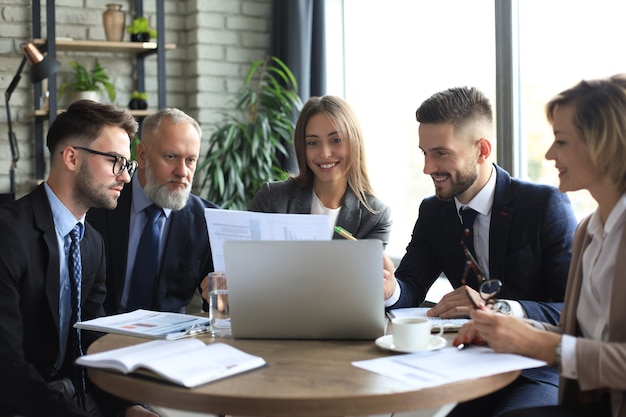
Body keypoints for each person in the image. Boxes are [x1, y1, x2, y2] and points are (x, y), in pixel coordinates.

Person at [383, 87, 578, 416]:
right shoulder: (434, 211)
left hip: (536, 369)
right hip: (465, 366)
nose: (428, 168)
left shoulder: (544, 205)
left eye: (441, 154)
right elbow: (411, 286)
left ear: (482, 150)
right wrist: (389, 289)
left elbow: (573, 311)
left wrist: (500, 308)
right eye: (424, 153)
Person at [456, 74, 626, 417]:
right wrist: (510, 329)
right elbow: (575, 336)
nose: (549, 154)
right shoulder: (588, 232)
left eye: (561, 141)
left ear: (602, 144)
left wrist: (544, 345)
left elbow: (566, 347)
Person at [0, 100, 156, 416]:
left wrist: (128, 408)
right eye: (115, 161)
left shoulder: (91, 243)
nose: (126, 178)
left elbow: (92, 344)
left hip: (76, 393)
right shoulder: (8, 233)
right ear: (71, 157)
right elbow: (6, 367)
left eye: (127, 165)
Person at [87, 108, 219, 314]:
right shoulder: (100, 203)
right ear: (142, 155)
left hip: (168, 342)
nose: (182, 172)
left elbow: (217, 302)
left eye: (190, 160)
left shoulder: (207, 220)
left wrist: (224, 292)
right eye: (171, 156)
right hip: (100, 336)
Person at [248, 95, 392, 247]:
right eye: (313, 142)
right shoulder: (272, 199)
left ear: (354, 143)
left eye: (336, 140)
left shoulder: (375, 216)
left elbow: (366, 269)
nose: (324, 153)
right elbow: (245, 261)